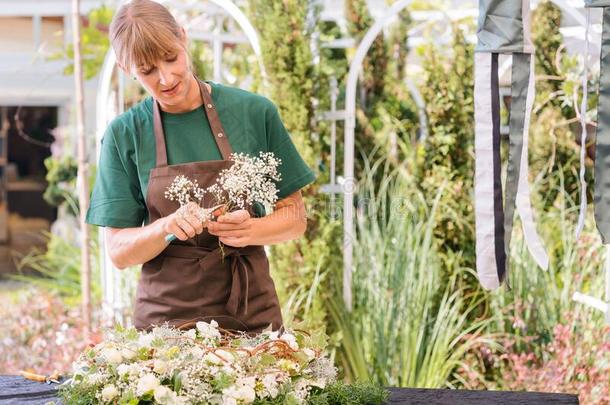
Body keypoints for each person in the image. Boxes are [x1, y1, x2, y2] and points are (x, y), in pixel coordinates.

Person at [85, 0, 316, 333]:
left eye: (171, 58)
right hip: (165, 327)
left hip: (250, 316)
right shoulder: (124, 134)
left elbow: (295, 218)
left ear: (183, 38)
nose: (166, 78)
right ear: (125, 68)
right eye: (147, 71)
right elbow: (119, 252)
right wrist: (166, 227)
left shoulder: (254, 113)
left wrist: (249, 229)